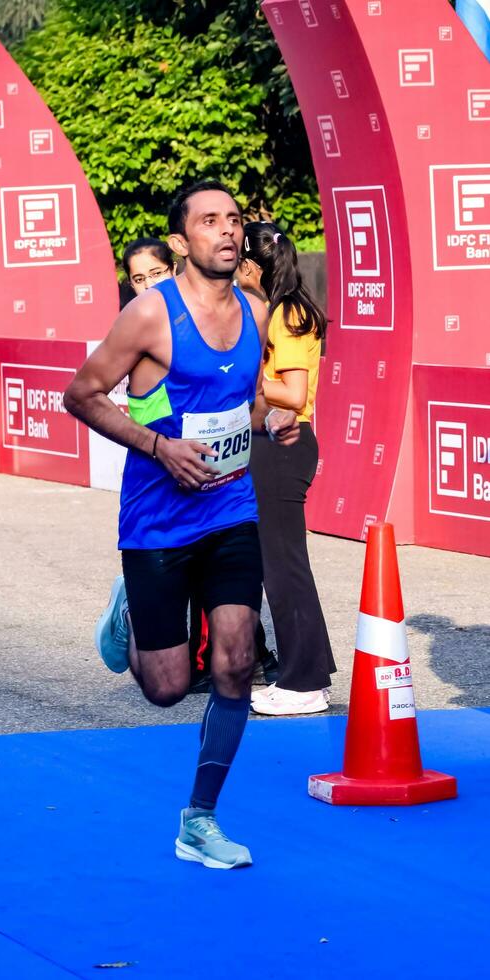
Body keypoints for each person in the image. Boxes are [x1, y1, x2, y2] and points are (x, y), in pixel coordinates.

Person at [64, 181, 298, 869]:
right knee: (166, 687)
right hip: (158, 516)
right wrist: (159, 446)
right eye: (209, 221)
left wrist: (272, 420)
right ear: (180, 241)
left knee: (234, 662)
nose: (227, 231)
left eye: (233, 220)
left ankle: (200, 818)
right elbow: (80, 394)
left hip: (229, 508)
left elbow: (242, 405)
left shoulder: (257, 310)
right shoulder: (149, 316)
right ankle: (132, 616)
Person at [238, 221, 335, 716]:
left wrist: (246, 382)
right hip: (267, 445)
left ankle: (305, 682)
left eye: (237, 264)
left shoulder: (290, 312)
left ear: (252, 266)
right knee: (276, 566)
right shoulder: (269, 312)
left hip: (285, 443)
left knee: (285, 566)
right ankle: (306, 674)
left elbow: (294, 395)